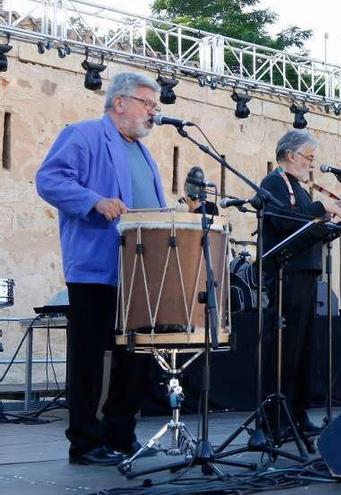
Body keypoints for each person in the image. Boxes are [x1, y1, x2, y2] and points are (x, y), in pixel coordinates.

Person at [36, 72, 166, 465]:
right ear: (120, 102)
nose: (153, 112)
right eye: (147, 103)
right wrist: (93, 200)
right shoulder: (85, 134)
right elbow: (49, 179)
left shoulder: (143, 152)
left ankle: (119, 436)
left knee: (135, 356)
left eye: (155, 105)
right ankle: (85, 444)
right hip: (97, 268)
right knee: (90, 359)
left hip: (139, 271)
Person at [260, 129, 341, 434]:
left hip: (306, 274)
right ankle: (276, 417)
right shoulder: (274, 182)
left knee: (305, 350)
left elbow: (312, 228)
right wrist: (321, 208)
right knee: (286, 349)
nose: (312, 164)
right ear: (291, 155)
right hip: (285, 275)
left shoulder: (299, 188)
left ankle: (299, 414)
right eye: (309, 157)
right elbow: (284, 221)